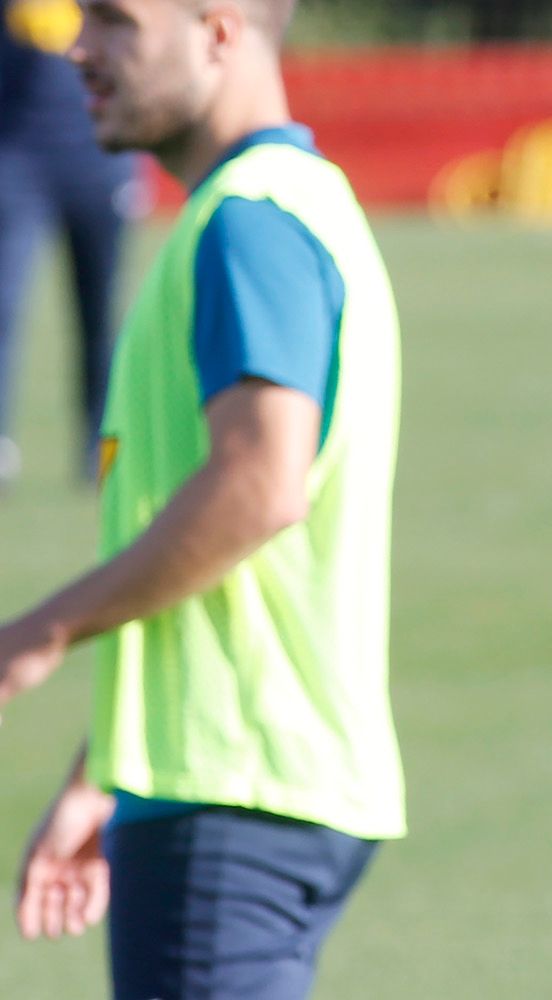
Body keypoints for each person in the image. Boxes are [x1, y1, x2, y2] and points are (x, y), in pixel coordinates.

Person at [0, 0, 404, 996]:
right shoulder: (289, 204)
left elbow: (261, 484)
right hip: (239, 784)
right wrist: (109, 768)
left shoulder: (249, 223)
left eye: (115, 20)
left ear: (220, 26)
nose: (79, 46)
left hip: (230, 805)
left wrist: (46, 628)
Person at [0, 0, 137, 488]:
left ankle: (100, 449)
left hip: (99, 154)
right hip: (15, 154)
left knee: (99, 314)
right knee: (4, 304)